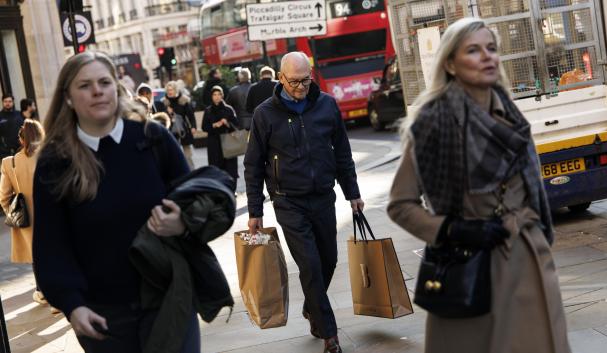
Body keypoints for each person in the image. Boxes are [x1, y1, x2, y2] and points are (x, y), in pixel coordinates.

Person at [387, 17, 571, 353]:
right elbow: (401, 206)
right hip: (473, 267)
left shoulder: (510, 113)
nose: (487, 57)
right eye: (473, 50)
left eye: (491, 49)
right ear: (451, 64)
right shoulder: (434, 124)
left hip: (529, 258)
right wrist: (453, 229)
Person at [31, 51, 198, 352]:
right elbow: (50, 245)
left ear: (117, 89)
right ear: (67, 98)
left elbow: (197, 202)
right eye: (84, 85)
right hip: (103, 318)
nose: (97, 91)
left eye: (104, 82)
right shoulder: (55, 162)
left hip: (169, 299)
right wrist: (72, 304)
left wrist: (182, 222)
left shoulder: (153, 138)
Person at [244, 52, 363, 353]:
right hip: (288, 202)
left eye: (305, 79)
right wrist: (255, 210)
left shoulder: (326, 105)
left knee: (328, 260)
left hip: (323, 196)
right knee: (309, 265)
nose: (300, 86)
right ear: (281, 79)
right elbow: (253, 165)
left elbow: (342, 153)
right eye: (294, 81)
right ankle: (330, 336)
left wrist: (353, 193)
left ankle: (313, 307)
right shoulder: (264, 113)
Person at [0, 119, 48, 307]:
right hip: (52, 217)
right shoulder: (50, 157)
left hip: (28, 221)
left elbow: (3, 197)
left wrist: (15, 214)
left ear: (21, 140)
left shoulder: (9, 163)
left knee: (38, 257)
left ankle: (43, 292)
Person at [201, 85, 240, 191]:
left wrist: (227, 123)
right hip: (214, 142)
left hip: (228, 141)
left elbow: (237, 126)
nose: (217, 97)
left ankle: (232, 189)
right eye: (214, 94)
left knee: (231, 168)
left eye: (219, 94)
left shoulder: (228, 109)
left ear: (222, 95)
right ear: (211, 96)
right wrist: (214, 125)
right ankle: (220, 189)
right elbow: (204, 127)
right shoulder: (208, 110)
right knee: (216, 167)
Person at [163, 81, 197, 169]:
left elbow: (191, 115)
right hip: (171, 132)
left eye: (172, 90)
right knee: (175, 155)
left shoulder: (183, 101)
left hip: (184, 130)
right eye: (168, 90)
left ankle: (192, 172)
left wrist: (193, 127)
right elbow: (162, 118)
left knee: (188, 156)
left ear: (175, 90)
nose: (170, 92)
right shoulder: (164, 103)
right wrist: (167, 112)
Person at [0, 94, 25, 160]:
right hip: (6, 152)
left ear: (13, 102)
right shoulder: (0, 116)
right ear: (2, 102)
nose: (7, 103)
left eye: (10, 101)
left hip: (21, 149)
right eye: (5, 101)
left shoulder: (19, 114)